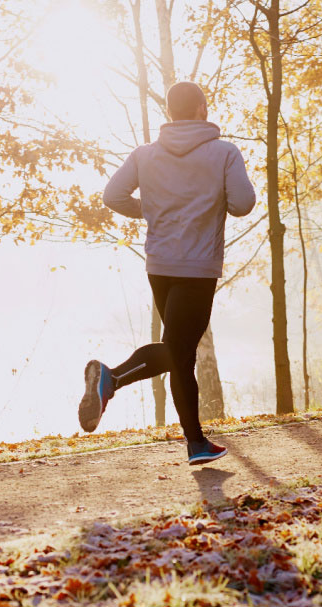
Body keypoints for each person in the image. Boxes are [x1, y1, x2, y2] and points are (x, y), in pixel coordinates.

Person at [78, 81, 256, 466]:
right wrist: (207, 202)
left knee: (179, 350)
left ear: (171, 113)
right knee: (180, 350)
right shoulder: (224, 153)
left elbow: (113, 196)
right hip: (197, 266)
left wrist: (155, 209)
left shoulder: (145, 155)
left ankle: (195, 443)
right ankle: (114, 379)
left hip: (159, 265)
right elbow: (243, 203)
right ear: (202, 109)